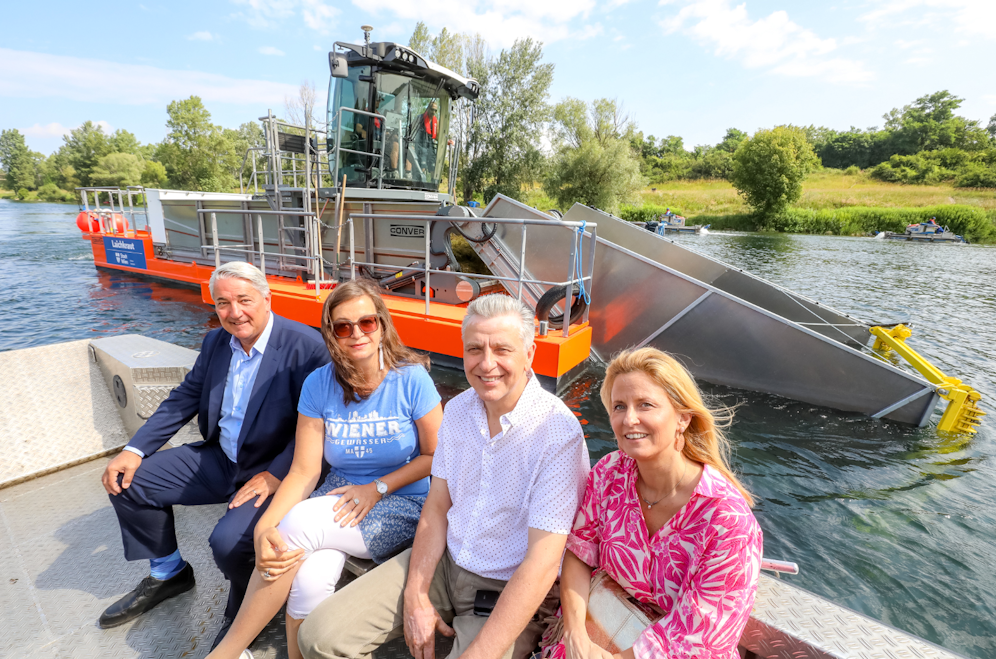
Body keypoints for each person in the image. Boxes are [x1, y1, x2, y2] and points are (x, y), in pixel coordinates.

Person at [298, 294, 591, 659]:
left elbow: (541, 563)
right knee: (319, 638)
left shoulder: (557, 433)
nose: (487, 364)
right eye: (474, 350)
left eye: (502, 349)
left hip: (507, 588)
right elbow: (436, 508)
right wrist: (416, 594)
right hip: (445, 563)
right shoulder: (458, 411)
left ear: (529, 353)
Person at [208, 279, 443, 659]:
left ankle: (225, 653)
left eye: (366, 323)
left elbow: (436, 457)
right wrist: (264, 527)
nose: (357, 334)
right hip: (339, 496)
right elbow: (303, 471)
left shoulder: (411, 378)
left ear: (382, 324)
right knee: (309, 577)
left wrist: (377, 488)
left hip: (403, 500)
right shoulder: (319, 384)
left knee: (297, 527)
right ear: (331, 334)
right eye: (343, 327)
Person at [98, 262, 329, 644]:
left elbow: (319, 427)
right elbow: (185, 397)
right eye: (223, 303)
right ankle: (168, 572)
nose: (234, 312)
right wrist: (134, 449)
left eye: (244, 300)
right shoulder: (215, 342)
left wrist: (276, 475)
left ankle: (245, 609)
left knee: (228, 545)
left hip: (272, 470)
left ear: (267, 297)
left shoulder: (308, 349)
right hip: (221, 458)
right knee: (127, 481)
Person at [543, 347, 762, 659]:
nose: (630, 419)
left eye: (645, 405)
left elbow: (700, 637)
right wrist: (575, 634)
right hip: (596, 634)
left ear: (682, 419)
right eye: (619, 406)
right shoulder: (609, 474)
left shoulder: (726, 520)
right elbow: (579, 553)